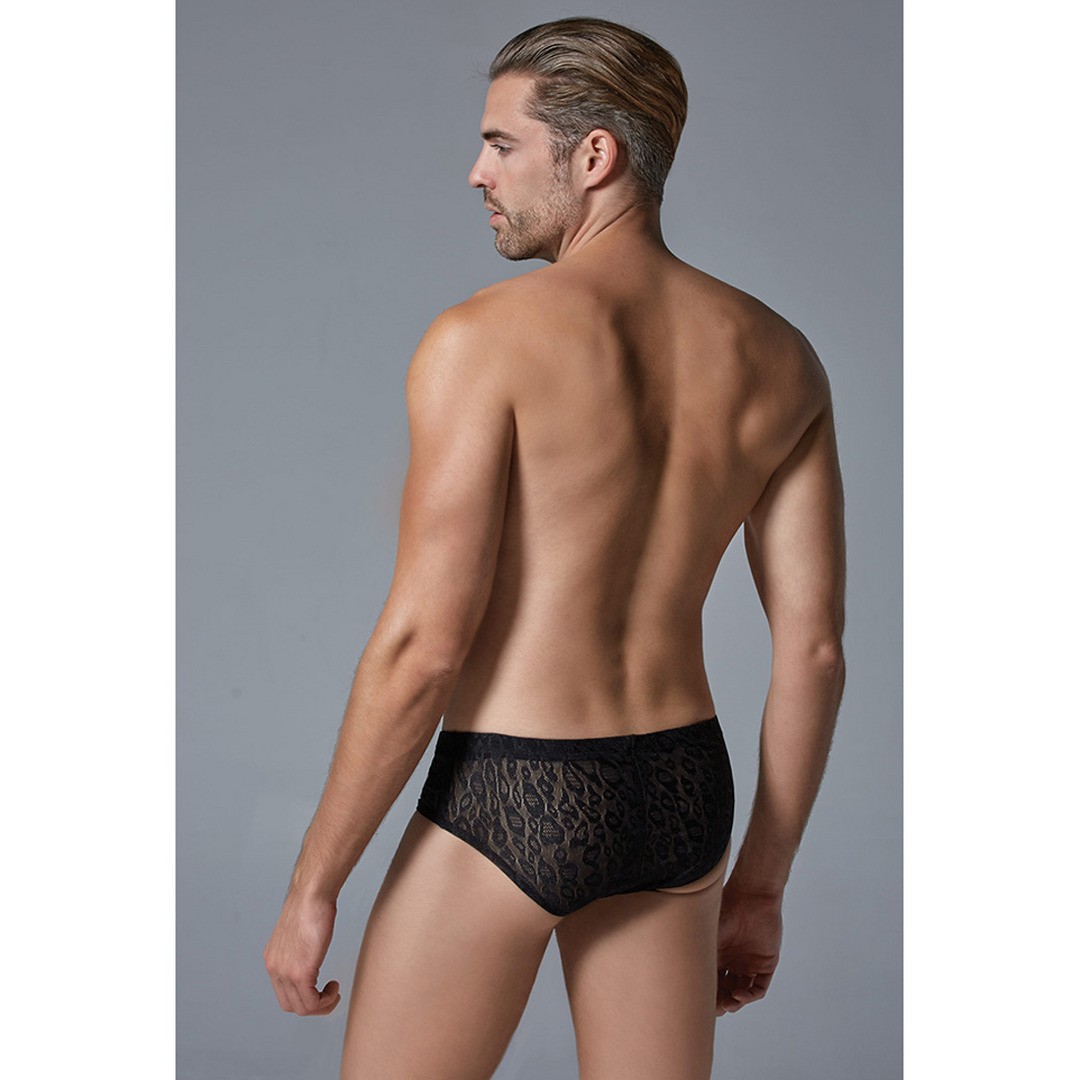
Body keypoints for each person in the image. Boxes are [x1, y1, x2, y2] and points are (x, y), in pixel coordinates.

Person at [264, 15, 846, 1080]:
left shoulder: (481, 342)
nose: (476, 173)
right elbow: (813, 652)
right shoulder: (781, 357)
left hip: (515, 786)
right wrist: (760, 883)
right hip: (680, 794)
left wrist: (314, 885)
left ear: (594, 155)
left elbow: (423, 647)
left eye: (502, 143)